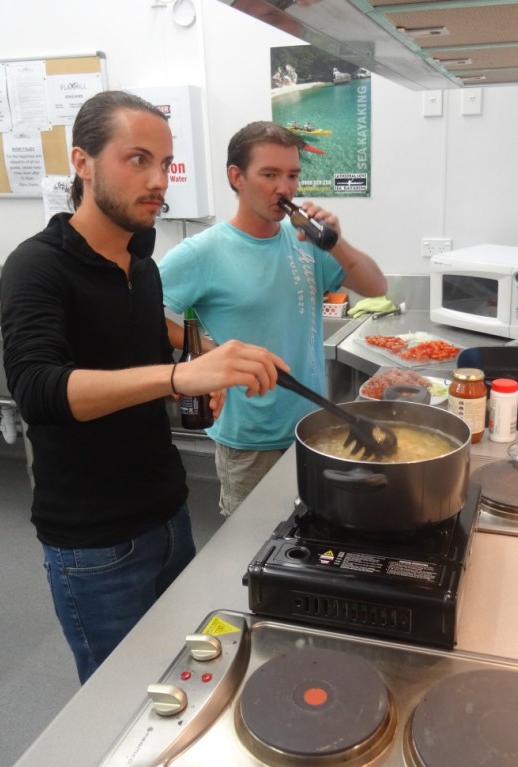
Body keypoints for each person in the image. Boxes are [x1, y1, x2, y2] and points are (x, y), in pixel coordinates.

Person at [0, 92, 284, 683]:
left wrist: (199, 359)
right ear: (82, 162)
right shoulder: (37, 267)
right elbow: (38, 389)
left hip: (169, 511)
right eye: (138, 160)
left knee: (183, 677)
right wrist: (179, 375)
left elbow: (141, 347)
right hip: (95, 544)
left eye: (166, 163)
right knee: (120, 698)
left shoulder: (142, 263)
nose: (158, 180)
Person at [159, 121, 387, 516]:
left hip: (312, 427)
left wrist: (336, 241)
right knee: (252, 540)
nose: (285, 188)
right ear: (237, 177)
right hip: (251, 439)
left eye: (292, 175)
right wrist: (210, 351)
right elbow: (143, 315)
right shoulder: (203, 252)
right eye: (269, 175)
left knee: (311, 530)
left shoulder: (306, 242)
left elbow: (376, 286)